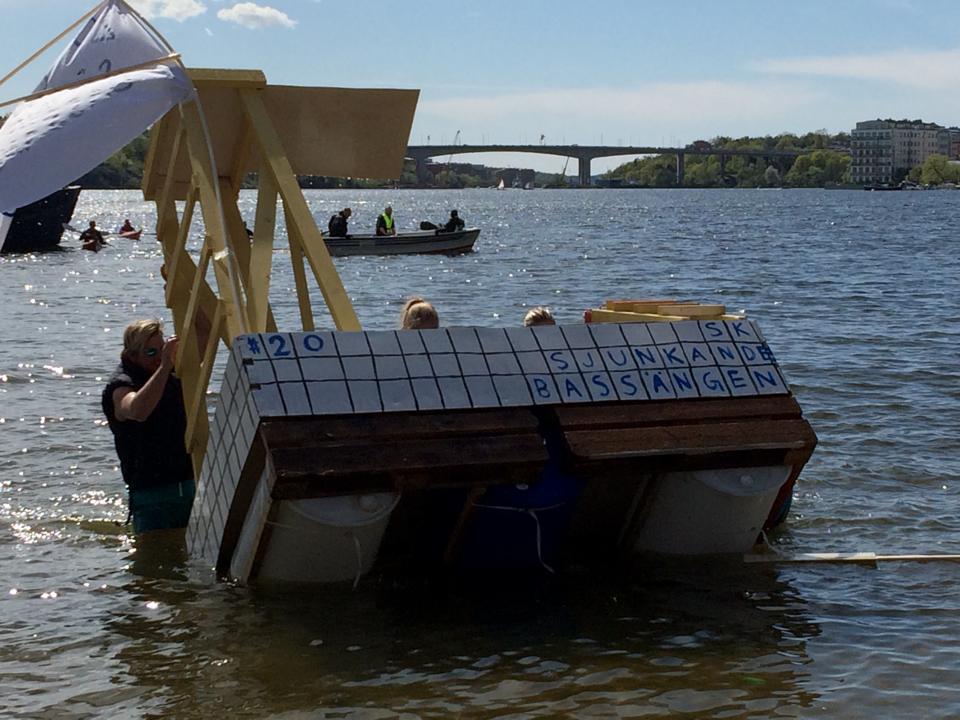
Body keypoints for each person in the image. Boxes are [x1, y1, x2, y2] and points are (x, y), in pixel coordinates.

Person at [101, 319, 195, 533]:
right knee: (153, 561)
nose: (158, 358)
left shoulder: (172, 373)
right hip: (150, 493)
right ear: (132, 355)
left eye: (162, 351)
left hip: (188, 483)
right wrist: (164, 367)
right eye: (151, 353)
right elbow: (137, 410)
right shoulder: (121, 384)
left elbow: (206, 331)